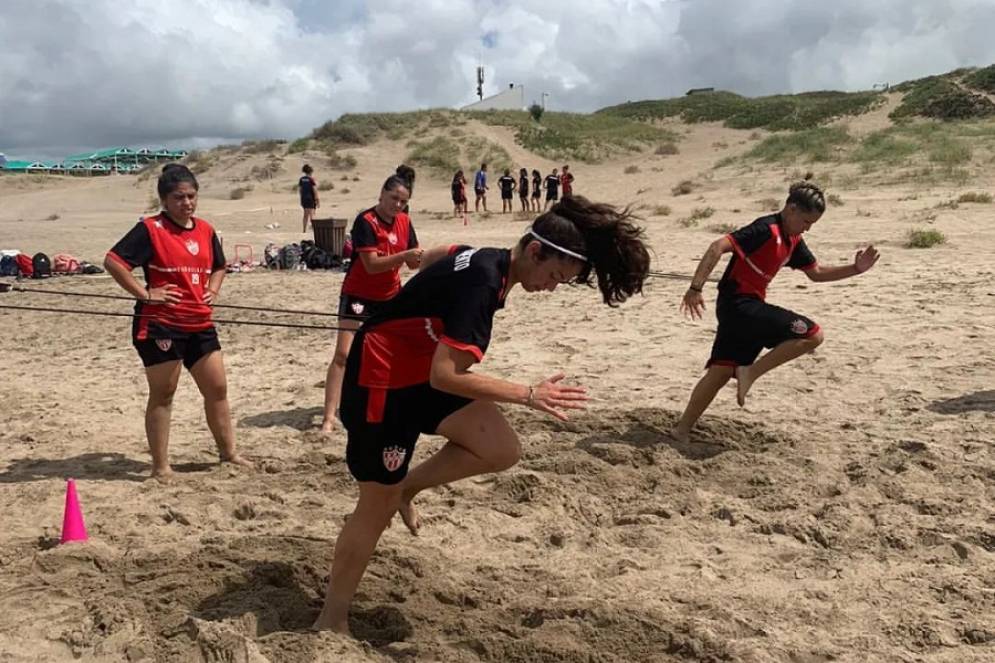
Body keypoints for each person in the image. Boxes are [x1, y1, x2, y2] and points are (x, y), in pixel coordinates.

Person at [312, 195, 651, 634]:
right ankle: (331, 618)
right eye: (553, 275)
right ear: (534, 250)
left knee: (500, 447)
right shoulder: (483, 285)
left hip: (419, 370)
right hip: (382, 380)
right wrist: (529, 394)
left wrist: (421, 278)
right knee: (374, 505)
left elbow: (443, 253)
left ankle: (408, 488)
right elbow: (447, 375)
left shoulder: (490, 258)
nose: (551, 287)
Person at [672, 178, 880, 442]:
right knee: (812, 334)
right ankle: (750, 373)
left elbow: (816, 273)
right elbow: (718, 246)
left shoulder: (793, 239)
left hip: (742, 309)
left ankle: (681, 429)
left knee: (721, 371)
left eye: (811, 225)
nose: (807, 229)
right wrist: (695, 288)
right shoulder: (766, 229)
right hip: (739, 305)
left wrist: (855, 269)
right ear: (791, 209)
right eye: (806, 222)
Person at [103, 164, 252, 481]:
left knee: (218, 389)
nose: (187, 203)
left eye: (191, 196)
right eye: (179, 197)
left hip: (199, 321)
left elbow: (220, 266)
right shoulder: (150, 229)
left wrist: (212, 289)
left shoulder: (206, 230)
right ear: (165, 200)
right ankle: (160, 467)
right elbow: (114, 262)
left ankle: (229, 454)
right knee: (164, 393)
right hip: (160, 324)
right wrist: (145, 293)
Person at [320, 175, 424, 433]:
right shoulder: (365, 221)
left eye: (403, 201)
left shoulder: (405, 222)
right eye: (394, 199)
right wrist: (405, 255)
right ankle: (328, 418)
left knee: (394, 354)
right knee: (343, 354)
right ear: (382, 194)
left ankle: (390, 404)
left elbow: (414, 261)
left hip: (390, 296)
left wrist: (421, 258)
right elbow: (372, 265)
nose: (397, 205)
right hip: (359, 294)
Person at [299, 164, 319, 233]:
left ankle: (304, 230)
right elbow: (314, 190)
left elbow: (300, 190)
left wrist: (301, 199)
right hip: (310, 198)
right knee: (312, 214)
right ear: (310, 172)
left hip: (304, 199)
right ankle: (314, 230)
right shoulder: (311, 179)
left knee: (305, 215)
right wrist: (317, 200)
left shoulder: (301, 179)